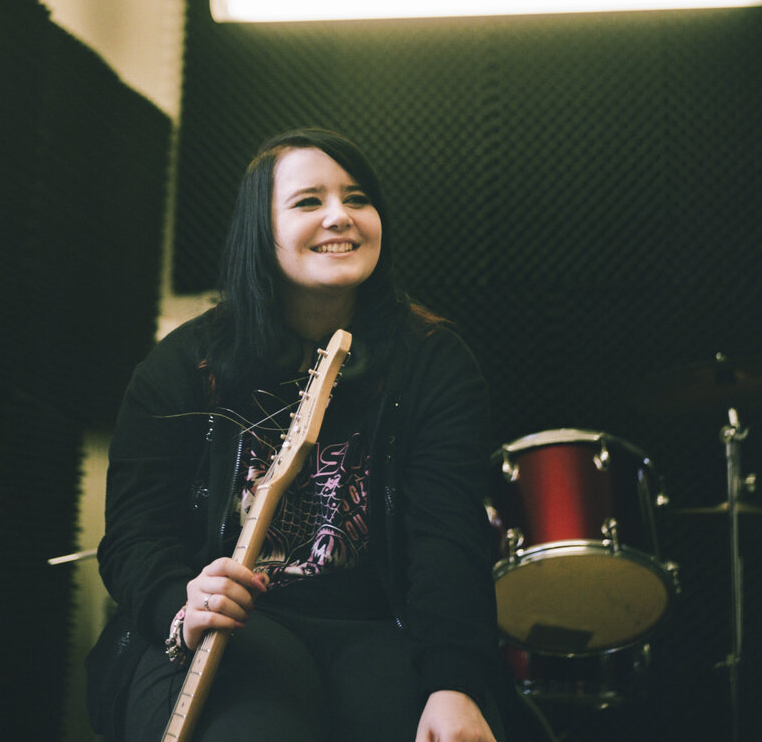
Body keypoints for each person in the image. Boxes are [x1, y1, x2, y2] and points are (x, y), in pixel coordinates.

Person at [86, 128, 529, 742]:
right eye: (307, 202)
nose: (339, 217)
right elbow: (133, 536)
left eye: (357, 198)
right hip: (237, 627)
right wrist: (180, 602)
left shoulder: (433, 361)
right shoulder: (183, 366)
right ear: (259, 231)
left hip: (378, 626)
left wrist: (453, 684)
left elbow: (447, 539)